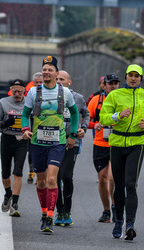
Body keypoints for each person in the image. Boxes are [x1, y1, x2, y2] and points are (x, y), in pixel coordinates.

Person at [99, 64, 144, 240]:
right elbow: (103, 118)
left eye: (137, 75)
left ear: (140, 78)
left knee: (131, 185)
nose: (133, 78)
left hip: (137, 143)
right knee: (118, 185)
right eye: (130, 75)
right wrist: (118, 116)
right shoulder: (115, 95)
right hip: (117, 142)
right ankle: (119, 220)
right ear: (126, 77)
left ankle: (130, 225)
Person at [21, 56, 79, 233]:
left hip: (57, 142)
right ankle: (44, 211)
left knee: (53, 179)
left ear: (56, 73)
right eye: (44, 69)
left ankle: (49, 217)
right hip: (38, 141)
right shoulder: (33, 92)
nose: (46, 72)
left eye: (50, 69)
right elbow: (25, 114)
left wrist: (73, 135)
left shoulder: (65, 92)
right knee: (41, 182)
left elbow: (75, 114)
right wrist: (25, 128)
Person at [54, 70, 89, 226]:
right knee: (55, 178)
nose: (59, 82)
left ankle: (67, 211)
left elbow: (86, 114)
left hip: (71, 142)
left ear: (69, 82)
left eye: (62, 79)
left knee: (66, 176)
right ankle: (59, 211)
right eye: (57, 79)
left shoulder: (78, 98)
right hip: (53, 142)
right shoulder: (49, 96)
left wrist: (84, 128)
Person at [87, 73, 119, 223]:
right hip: (100, 144)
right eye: (110, 83)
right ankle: (106, 210)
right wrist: (95, 125)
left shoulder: (123, 100)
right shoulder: (96, 100)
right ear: (104, 85)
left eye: (115, 83)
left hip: (117, 143)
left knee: (113, 178)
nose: (113, 86)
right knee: (102, 179)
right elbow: (85, 121)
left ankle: (115, 206)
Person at [0, 79, 27, 217]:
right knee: (5, 173)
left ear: (24, 91)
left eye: (20, 91)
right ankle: (8, 194)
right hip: (7, 139)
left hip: (22, 140)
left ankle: (15, 204)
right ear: (11, 91)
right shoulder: (4, 102)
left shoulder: (29, 103)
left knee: (18, 172)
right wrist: (5, 123)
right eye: (14, 91)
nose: (17, 94)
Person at [26, 72, 43, 184]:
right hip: (32, 121)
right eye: (36, 82)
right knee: (31, 149)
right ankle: (32, 170)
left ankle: (39, 173)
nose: (38, 84)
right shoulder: (31, 92)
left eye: (40, 82)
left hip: (44, 122)